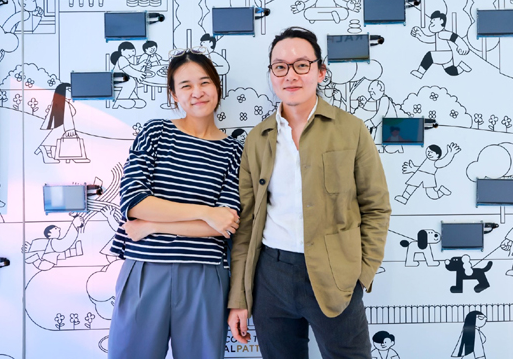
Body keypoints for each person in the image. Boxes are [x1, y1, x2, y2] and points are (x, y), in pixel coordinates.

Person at [227, 27, 391, 359]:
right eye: (280, 67)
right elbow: (247, 224)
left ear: (320, 72)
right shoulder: (257, 139)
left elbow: (376, 206)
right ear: (271, 74)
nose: (290, 75)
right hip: (271, 276)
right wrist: (240, 297)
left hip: (336, 274)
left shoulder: (351, 129)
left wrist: (362, 272)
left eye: (302, 65)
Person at [107, 48, 243, 358]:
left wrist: (153, 225)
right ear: (173, 94)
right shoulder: (156, 132)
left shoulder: (234, 152)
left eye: (205, 82)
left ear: (217, 86)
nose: (197, 92)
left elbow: (224, 225)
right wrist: (205, 212)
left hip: (205, 274)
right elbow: (135, 202)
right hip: (146, 269)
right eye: (186, 85)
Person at [36, 82, 90, 164]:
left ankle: (45, 149)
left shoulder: (61, 102)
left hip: (61, 126)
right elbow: (67, 117)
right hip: (64, 127)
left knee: (56, 135)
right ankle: (46, 150)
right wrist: (70, 129)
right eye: (69, 90)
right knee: (59, 136)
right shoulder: (64, 104)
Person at [410, 11, 471, 79]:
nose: (431, 22)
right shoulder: (438, 34)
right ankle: (462, 67)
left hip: (444, 54)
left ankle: (420, 72)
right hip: (445, 54)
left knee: (429, 56)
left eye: (433, 20)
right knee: (451, 70)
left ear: (441, 21)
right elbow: (427, 39)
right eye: (431, 21)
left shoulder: (442, 33)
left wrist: (463, 46)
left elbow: (454, 37)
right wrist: (418, 34)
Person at [394, 143, 460, 204]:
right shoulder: (427, 160)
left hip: (428, 177)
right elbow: (422, 168)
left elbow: (444, 162)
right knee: (411, 186)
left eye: (431, 152)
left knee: (432, 194)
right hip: (419, 174)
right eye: (428, 151)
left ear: (437, 155)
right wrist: (412, 168)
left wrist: (450, 154)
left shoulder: (436, 163)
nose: (429, 153)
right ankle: (404, 198)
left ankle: (441, 191)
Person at [110, 42, 147, 109]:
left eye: (134, 51)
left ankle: (131, 100)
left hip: (123, 80)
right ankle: (119, 101)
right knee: (131, 81)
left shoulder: (125, 60)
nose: (133, 54)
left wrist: (142, 64)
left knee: (130, 83)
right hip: (117, 80)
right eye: (132, 51)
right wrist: (138, 74)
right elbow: (128, 70)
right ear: (122, 50)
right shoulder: (121, 59)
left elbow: (133, 68)